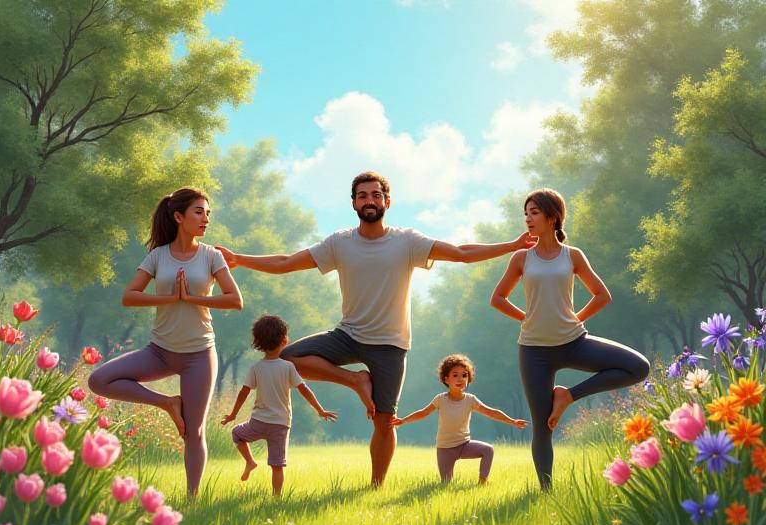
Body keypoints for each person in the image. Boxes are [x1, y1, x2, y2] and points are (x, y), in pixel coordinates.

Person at [215, 171, 535, 487]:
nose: (370, 200)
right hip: (347, 334)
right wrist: (240, 260)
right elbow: (286, 262)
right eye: (363, 195)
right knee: (286, 359)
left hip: (390, 345)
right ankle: (356, 380)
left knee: (384, 421)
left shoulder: (407, 241)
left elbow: (462, 254)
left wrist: (512, 245)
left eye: (376, 195)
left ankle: (376, 486)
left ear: (387, 201)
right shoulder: (339, 243)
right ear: (354, 203)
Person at [490, 188, 650, 491]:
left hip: (574, 342)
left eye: (534, 212)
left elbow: (602, 295)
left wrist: (578, 317)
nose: (527, 219)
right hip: (534, 351)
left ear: (553, 217)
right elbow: (497, 298)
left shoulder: (572, 255)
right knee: (542, 426)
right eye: (526, 213)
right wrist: (525, 317)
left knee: (638, 367)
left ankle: (568, 396)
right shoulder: (521, 258)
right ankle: (546, 492)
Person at [88, 188, 243, 496]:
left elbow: (235, 300)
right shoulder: (158, 256)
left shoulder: (212, 256)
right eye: (199, 212)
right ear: (178, 217)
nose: (205, 219)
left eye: (208, 213)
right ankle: (168, 403)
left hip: (199, 354)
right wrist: (171, 297)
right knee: (99, 379)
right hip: (159, 352)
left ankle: (192, 498)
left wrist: (195, 299)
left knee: (194, 432)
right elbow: (129, 296)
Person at [220, 315, 337, 496]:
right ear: (284, 340)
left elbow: (244, 392)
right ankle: (276, 498)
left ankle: (250, 462)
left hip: (258, 422)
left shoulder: (256, 368)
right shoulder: (288, 367)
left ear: (257, 343)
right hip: (280, 424)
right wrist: (320, 410)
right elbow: (304, 389)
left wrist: (233, 414)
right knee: (277, 465)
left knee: (237, 434)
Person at [390, 354, 527, 484]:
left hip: (464, 445)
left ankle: (482, 482)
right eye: (455, 375)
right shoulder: (440, 399)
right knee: (446, 483)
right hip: (445, 449)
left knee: (488, 450)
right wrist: (403, 420)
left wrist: (512, 421)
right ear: (446, 379)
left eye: (464, 375)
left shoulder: (470, 400)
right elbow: (423, 413)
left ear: (468, 379)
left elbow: (491, 412)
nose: (460, 379)